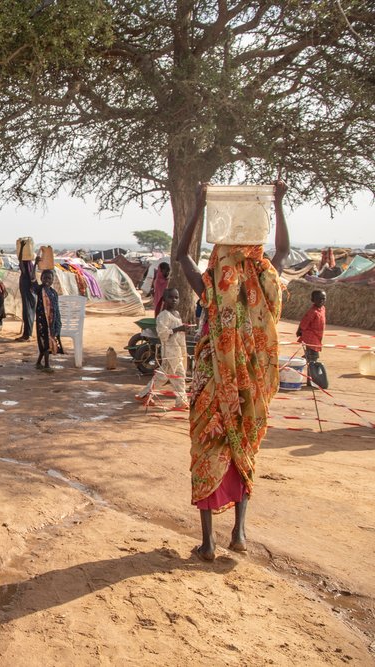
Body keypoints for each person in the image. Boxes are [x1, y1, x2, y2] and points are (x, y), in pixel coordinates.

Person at [175, 180, 289, 562]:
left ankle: (208, 542)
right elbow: (284, 251)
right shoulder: (265, 280)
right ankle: (238, 532)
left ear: (219, 259)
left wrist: (197, 205)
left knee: (207, 450)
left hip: (212, 381)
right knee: (245, 449)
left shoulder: (211, 287)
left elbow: (181, 254)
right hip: (250, 387)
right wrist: (280, 203)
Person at [135, 288, 191, 408]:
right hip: (170, 351)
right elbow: (162, 333)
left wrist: (183, 329)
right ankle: (181, 401)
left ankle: (145, 395)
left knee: (172, 377)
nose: (174, 300)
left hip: (178, 350)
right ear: (165, 299)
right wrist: (178, 329)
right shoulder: (164, 315)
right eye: (171, 297)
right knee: (175, 376)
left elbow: (177, 332)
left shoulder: (177, 314)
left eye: (176, 297)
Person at [34, 269, 63, 371]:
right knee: (45, 343)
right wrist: (35, 266)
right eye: (44, 278)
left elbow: (56, 308)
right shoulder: (40, 290)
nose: (47, 280)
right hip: (42, 322)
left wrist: (58, 322)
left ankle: (38, 363)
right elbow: (33, 281)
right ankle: (46, 365)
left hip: (52, 322)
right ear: (41, 278)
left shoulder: (53, 292)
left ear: (52, 280)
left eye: (49, 278)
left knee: (47, 342)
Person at [15, 239, 37, 342]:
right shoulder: (30, 266)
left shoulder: (27, 268)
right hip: (30, 294)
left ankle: (27, 335)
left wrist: (22, 247)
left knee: (27, 314)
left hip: (28, 294)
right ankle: (27, 334)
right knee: (29, 314)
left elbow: (20, 260)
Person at [297, 290, 326, 364]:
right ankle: (311, 371)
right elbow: (305, 321)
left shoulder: (322, 309)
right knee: (313, 356)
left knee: (311, 355)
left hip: (317, 335)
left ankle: (305, 361)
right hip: (310, 336)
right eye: (318, 299)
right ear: (313, 300)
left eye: (323, 298)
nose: (321, 300)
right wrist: (300, 331)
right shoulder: (313, 312)